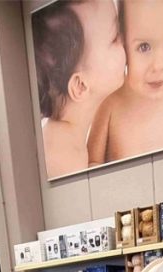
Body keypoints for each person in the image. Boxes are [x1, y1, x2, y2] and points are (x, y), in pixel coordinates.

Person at [88, 0, 163, 165]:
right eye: (144, 47)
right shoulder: (109, 102)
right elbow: (91, 167)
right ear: (122, 41)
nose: (158, 66)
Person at [32, 0, 126, 178]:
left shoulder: (66, 138)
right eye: (115, 38)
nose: (124, 39)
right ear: (80, 86)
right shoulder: (64, 155)